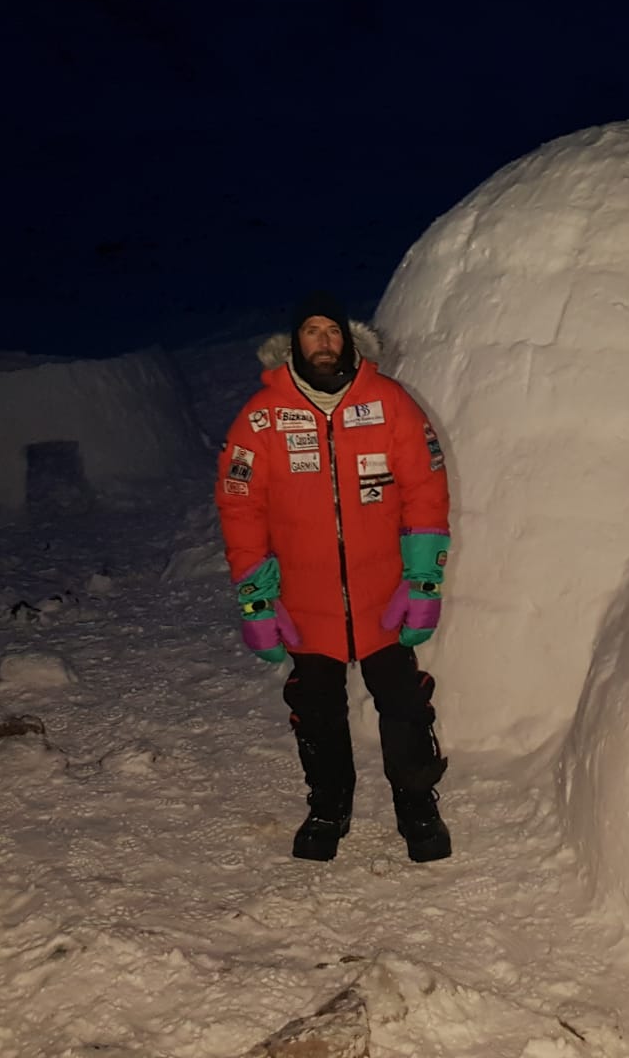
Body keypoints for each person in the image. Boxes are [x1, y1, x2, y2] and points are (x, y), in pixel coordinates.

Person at [214, 292, 453, 862]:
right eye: (311, 332)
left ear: (348, 339)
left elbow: (425, 491)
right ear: (294, 343)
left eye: (332, 331)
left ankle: (417, 807)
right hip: (305, 604)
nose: (322, 341)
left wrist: (422, 581)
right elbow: (239, 505)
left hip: (383, 601)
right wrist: (256, 599)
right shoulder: (262, 416)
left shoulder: (389, 403)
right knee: (316, 713)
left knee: (405, 709)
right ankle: (328, 807)